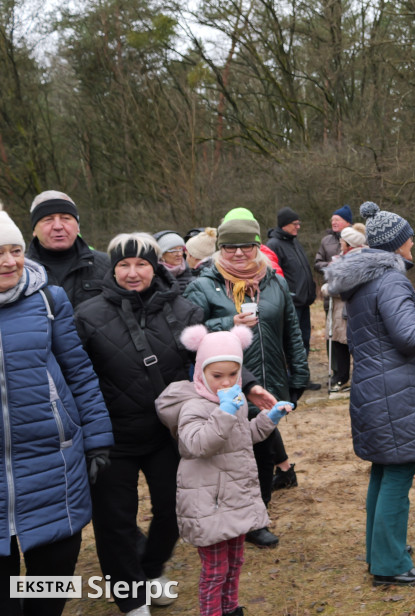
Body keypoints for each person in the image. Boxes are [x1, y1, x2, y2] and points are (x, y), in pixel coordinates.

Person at [74, 233, 207, 615]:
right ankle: (131, 599)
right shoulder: (88, 314)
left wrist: (246, 384)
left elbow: (210, 361)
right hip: (111, 437)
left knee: (175, 509)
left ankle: (149, 571)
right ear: (111, 269)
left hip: (165, 434)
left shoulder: (184, 311)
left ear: (155, 266)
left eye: (142, 264)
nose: (133, 273)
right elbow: (75, 375)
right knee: (115, 522)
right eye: (123, 265)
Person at [325, 201, 415, 587]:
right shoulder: (391, 280)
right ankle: (390, 564)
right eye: (409, 237)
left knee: (383, 471)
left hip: (372, 387)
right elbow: (411, 338)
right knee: (397, 474)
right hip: (393, 391)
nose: (413, 242)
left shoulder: (362, 280)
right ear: (398, 242)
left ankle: (379, 554)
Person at [0, 203, 114, 616]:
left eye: (14, 249)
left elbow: (79, 372)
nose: (10, 261)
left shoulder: (49, 299)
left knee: (48, 594)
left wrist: (97, 440)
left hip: (53, 468)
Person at [184, 210, 309, 549]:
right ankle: (227, 518)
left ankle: (257, 519)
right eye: (229, 246)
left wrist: (299, 372)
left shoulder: (274, 282)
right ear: (218, 248)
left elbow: (291, 331)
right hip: (224, 390)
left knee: (264, 451)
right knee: (231, 459)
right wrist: (227, 325)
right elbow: (187, 337)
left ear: (257, 245)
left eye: (246, 245)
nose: (238, 253)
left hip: (268, 381)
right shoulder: (203, 285)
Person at [156, 325, 293, 616]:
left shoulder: (235, 402)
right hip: (210, 503)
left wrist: (269, 418)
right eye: (217, 376)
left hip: (236, 497)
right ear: (200, 371)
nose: (226, 382)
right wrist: (224, 412)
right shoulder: (193, 406)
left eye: (233, 375)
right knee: (215, 570)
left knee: (235, 562)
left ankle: (230, 608)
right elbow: (197, 444)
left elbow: (245, 437)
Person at [25, 190, 111, 308]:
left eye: (65, 218)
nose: (58, 226)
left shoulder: (107, 265)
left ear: (78, 227)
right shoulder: (21, 271)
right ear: (34, 230)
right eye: (48, 220)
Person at [266, 207, 318, 356]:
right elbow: (273, 276)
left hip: (304, 302)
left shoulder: (295, 242)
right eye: (295, 223)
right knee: (292, 343)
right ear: (284, 224)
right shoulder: (273, 245)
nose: (298, 226)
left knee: (304, 340)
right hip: (291, 304)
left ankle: (303, 377)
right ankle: (291, 378)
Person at [324, 225, 368, 394]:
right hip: (340, 311)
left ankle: (349, 379)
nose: (340, 243)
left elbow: (342, 286)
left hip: (347, 310)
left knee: (350, 344)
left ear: (349, 244)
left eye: (342, 240)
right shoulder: (344, 257)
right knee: (340, 344)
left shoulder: (355, 260)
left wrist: (327, 289)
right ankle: (343, 378)